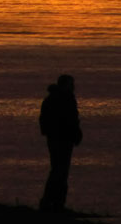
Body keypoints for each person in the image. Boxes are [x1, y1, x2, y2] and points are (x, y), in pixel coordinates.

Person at [38, 74, 82, 212]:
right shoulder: (66, 99)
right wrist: (75, 134)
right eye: (71, 84)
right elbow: (71, 120)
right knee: (60, 171)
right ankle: (55, 202)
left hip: (56, 138)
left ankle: (52, 201)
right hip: (62, 139)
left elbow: (44, 119)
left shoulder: (51, 99)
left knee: (58, 170)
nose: (74, 87)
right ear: (66, 85)